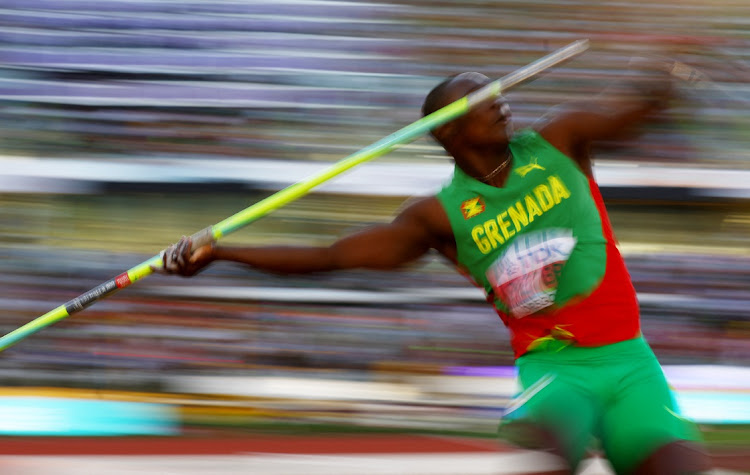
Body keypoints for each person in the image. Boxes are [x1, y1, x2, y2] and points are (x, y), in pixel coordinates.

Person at [155, 58, 712, 474]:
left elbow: (631, 114)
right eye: (481, 100)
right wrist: (223, 252)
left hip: (631, 362)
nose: (501, 102)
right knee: (540, 465)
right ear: (447, 131)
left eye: (499, 94)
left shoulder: (559, 141)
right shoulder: (436, 217)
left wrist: (668, 77)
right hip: (556, 370)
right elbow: (332, 257)